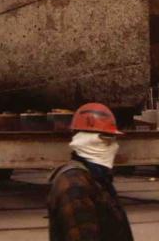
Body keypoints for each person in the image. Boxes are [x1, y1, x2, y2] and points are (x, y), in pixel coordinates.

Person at [47, 102, 134, 241]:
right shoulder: (74, 185)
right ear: (86, 140)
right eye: (107, 141)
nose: (115, 147)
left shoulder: (96, 179)